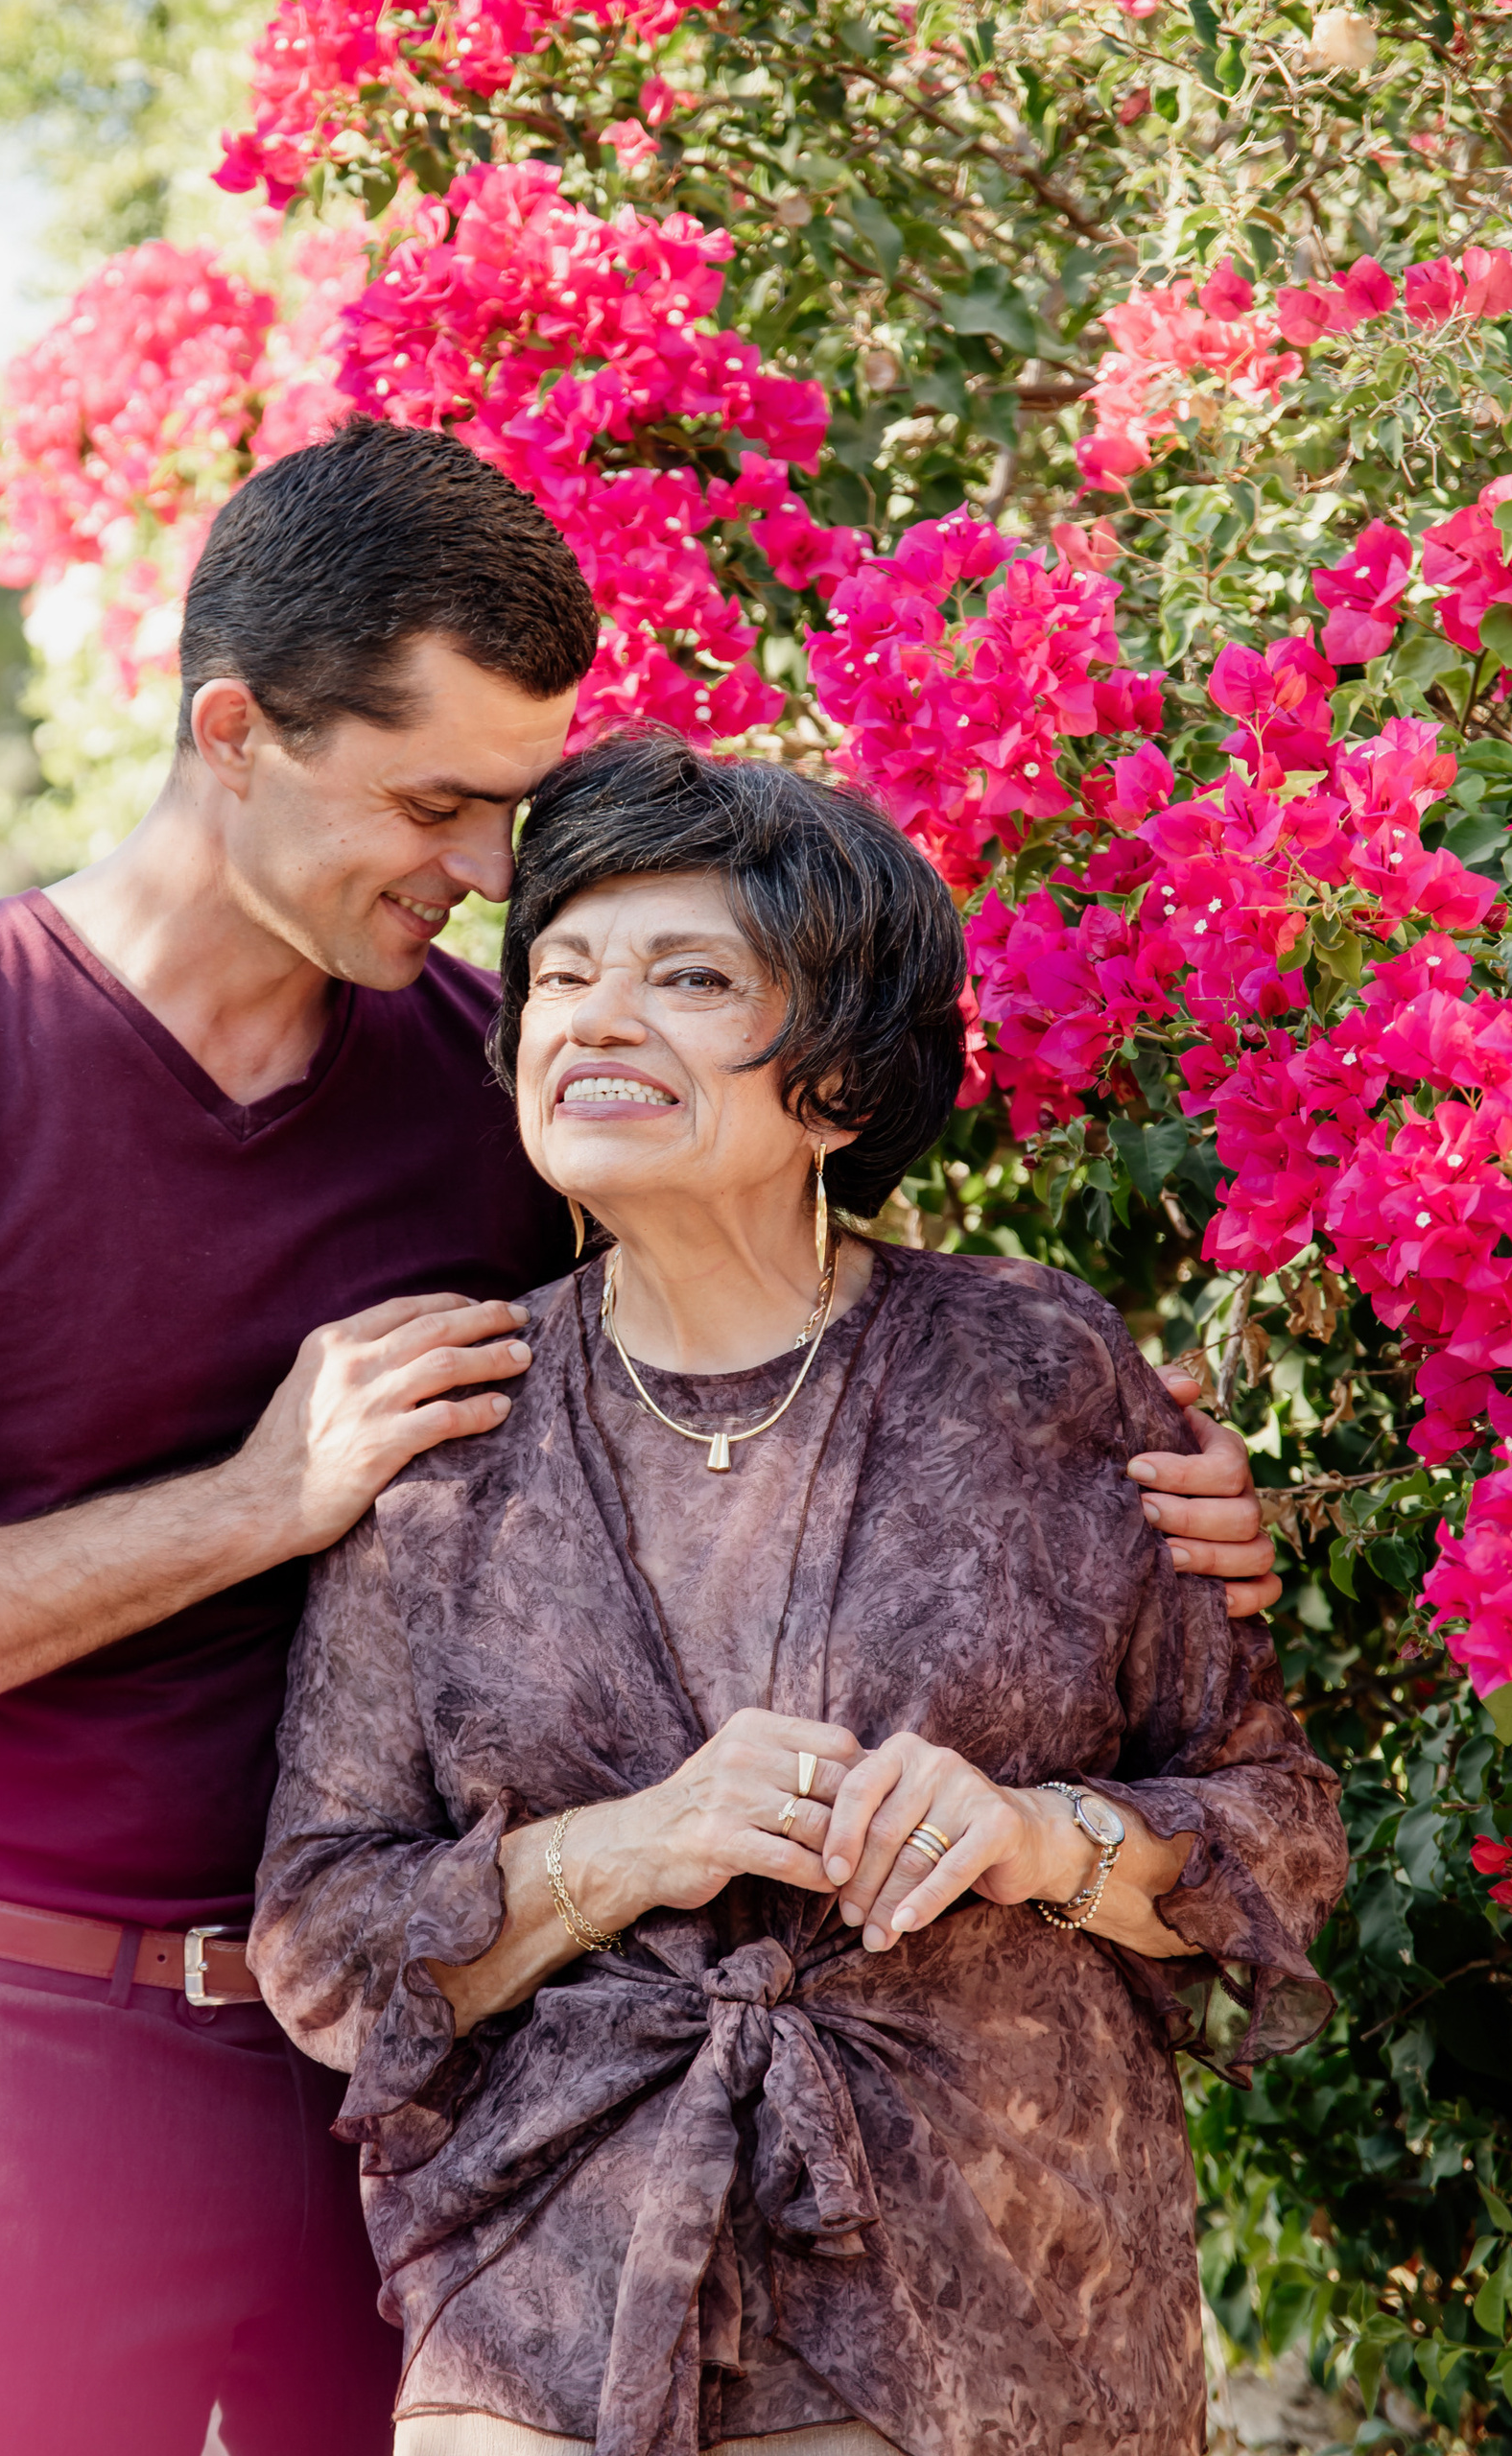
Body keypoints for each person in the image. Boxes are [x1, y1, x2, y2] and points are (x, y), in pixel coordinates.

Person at [0, 422, 1279, 2456]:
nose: (487, 873)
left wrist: (1138, 1495)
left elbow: (755, 1310)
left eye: (511, 809)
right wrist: (257, 1503)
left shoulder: (484, 1079)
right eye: (436, 799)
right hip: (41, 2046)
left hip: (477, 2072)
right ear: (233, 730)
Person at [252, 731, 1348, 2456]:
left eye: (688, 977)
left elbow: (1275, 1832)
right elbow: (322, 1949)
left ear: (838, 1083)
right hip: (547, 2329)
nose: (595, 1019)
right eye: (560, 973)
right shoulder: (452, 1426)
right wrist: (639, 1846)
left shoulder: (1032, 1371)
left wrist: (1039, 1836)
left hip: (988, 2313)